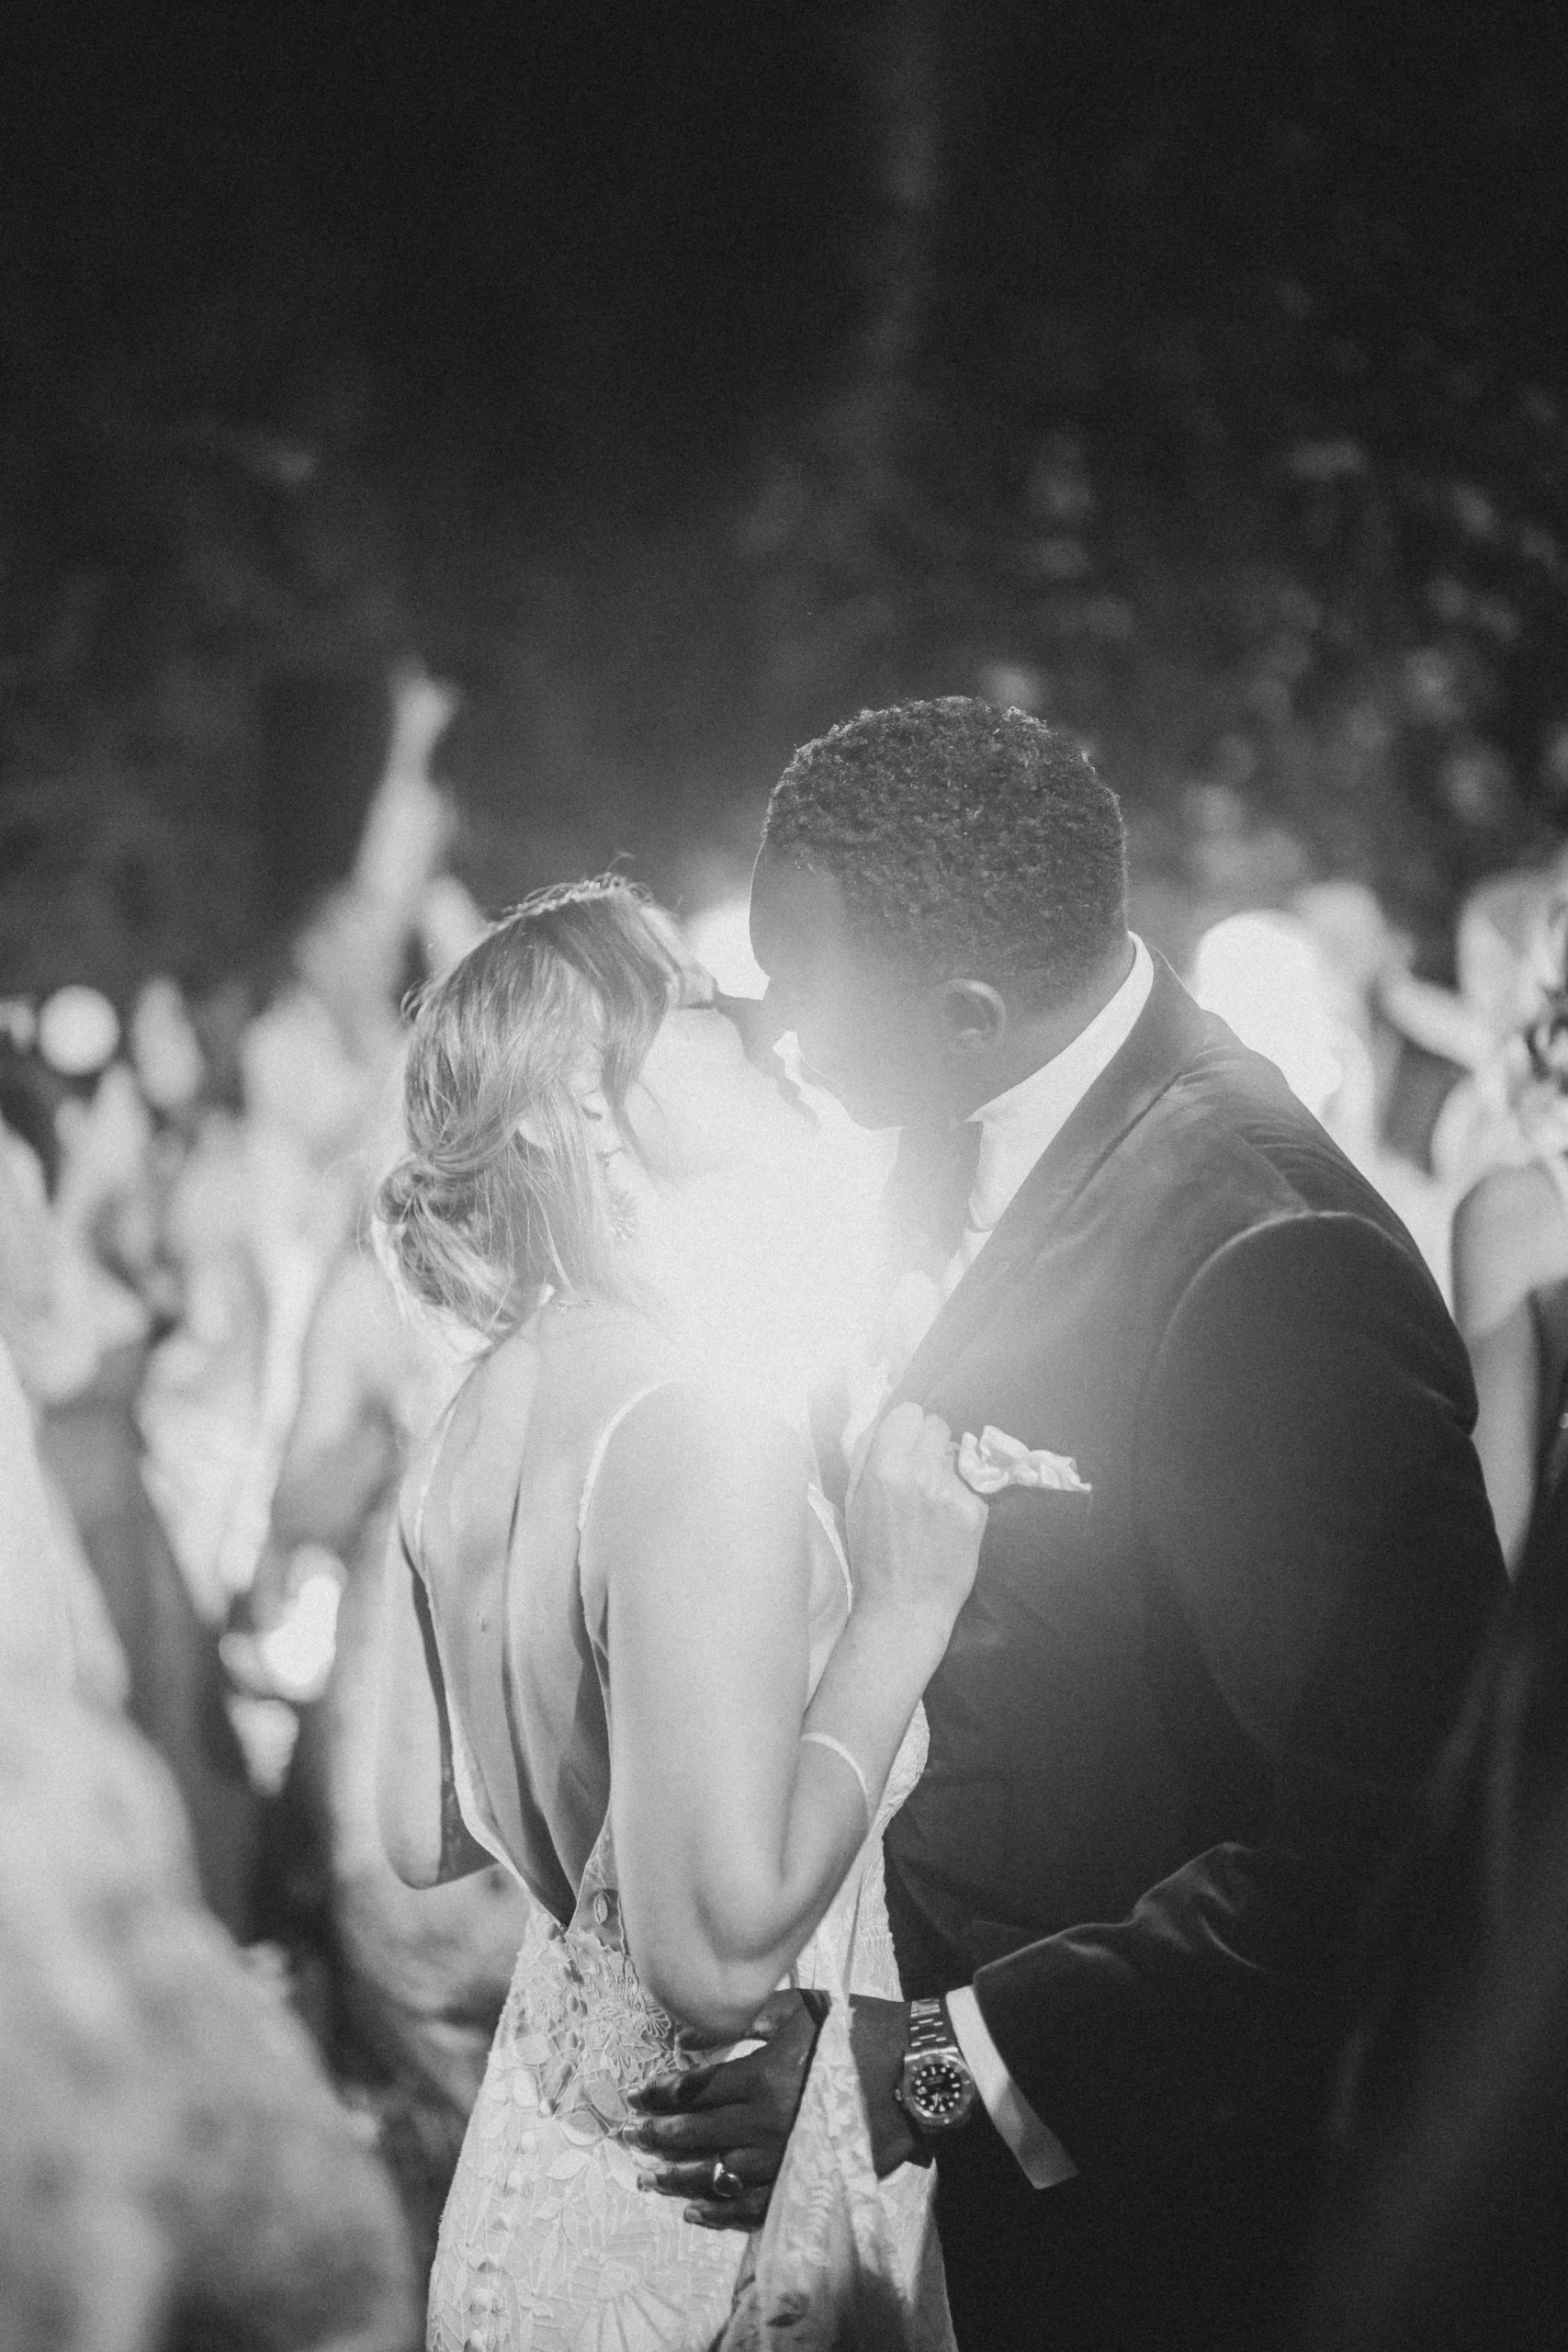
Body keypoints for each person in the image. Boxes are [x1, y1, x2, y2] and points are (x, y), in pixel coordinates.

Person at [633, 699, 1506, 2352]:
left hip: (1156, 2213)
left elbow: (1390, 1833)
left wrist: (937, 2067)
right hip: (885, 2131)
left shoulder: (1269, 1252)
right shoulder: (915, 1147)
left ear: (966, 1012)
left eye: (801, 983)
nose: (776, 1025)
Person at [373, 878, 987, 2350]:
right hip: (710, 2231)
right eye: (702, 1008)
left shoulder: (459, 1431)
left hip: (525, 2209)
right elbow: (710, 1959)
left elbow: (420, 1832)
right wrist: (897, 1615)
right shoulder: (693, 1429)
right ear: (586, 1100)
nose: (756, 1023)